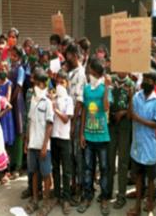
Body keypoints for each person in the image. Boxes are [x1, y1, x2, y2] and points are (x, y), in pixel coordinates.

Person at [78, 59, 111, 216]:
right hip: (89, 136)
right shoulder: (86, 89)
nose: (88, 74)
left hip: (102, 137)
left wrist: (107, 88)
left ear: (96, 73)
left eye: (90, 71)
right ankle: (87, 196)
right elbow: (84, 111)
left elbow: (105, 107)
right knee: (88, 168)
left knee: (104, 169)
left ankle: (104, 198)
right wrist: (81, 133)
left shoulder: (104, 88)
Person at [127, 70, 156, 216]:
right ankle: (137, 207)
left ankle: (150, 206)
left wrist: (138, 119)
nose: (146, 82)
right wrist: (130, 99)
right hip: (137, 145)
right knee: (138, 178)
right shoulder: (136, 96)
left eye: (149, 80)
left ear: (154, 84)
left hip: (149, 146)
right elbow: (130, 116)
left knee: (151, 180)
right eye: (144, 79)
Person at [24, 68, 54, 216]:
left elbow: (49, 125)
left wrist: (44, 146)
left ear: (43, 84)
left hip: (43, 146)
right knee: (34, 173)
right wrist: (27, 141)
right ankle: (36, 199)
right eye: (35, 83)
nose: (36, 86)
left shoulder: (47, 102)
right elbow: (30, 122)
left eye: (39, 83)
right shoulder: (33, 101)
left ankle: (46, 201)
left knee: (46, 174)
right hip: (32, 145)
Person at [108, 71, 135, 209]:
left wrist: (123, 112)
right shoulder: (110, 80)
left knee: (123, 161)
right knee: (110, 159)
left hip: (124, 126)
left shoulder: (132, 85)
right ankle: (108, 192)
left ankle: (122, 195)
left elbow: (133, 111)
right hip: (111, 125)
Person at [65, 43, 87, 206]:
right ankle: (73, 184)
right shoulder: (70, 72)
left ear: (74, 55)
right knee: (70, 155)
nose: (67, 58)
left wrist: (73, 124)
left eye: (69, 55)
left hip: (76, 120)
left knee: (77, 155)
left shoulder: (81, 74)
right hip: (68, 119)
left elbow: (79, 101)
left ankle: (79, 188)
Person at [51, 70, 74, 215]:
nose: (60, 85)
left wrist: (55, 109)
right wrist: (52, 102)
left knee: (66, 169)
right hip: (53, 136)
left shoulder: (69, 100)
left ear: (67, 83)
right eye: (58, 82)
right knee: (55, 167)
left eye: (62, 82)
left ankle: (66, 197)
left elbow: (66, 119)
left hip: (64, 138)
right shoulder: (52, 97)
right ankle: (57, 195)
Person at [8, 45, 26, 180]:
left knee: (19, 133)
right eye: (11, 55)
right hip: (9, 103)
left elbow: (19, 87)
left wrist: (11, 100)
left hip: (17, 103)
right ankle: (11, 163)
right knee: (11, 132)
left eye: (14, 55)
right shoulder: (9, 68)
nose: (12, 57)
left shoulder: (20, 69)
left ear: (19, 56)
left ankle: (18, 166)